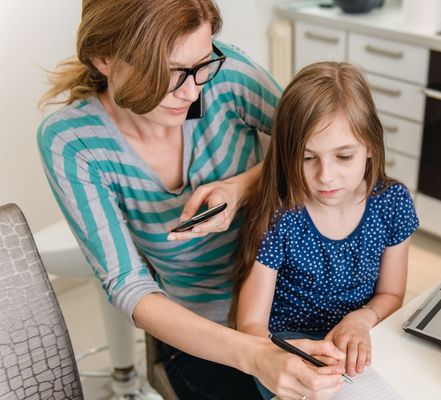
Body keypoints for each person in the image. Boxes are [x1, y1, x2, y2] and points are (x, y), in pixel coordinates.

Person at [37, 1, 346, 399]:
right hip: (206, 333)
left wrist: (242, 188)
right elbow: (129, 285)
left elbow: (316, 144)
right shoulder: (72, 141)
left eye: (202, 64)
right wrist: (256, 355)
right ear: (104, 59)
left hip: (299, 293)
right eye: (167, 74)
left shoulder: (222, 75)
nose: (192, 90)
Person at [231, 62, 420, 399]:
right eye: (307, 158)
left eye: (344, 157)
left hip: (360, 338)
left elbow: (391, 295)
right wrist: (290, 356)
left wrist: (362, 319)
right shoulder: (279, 214)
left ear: (371, 147)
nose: (325, 176)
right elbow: (250, 326)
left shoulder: (392, 203)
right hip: (288, 348)